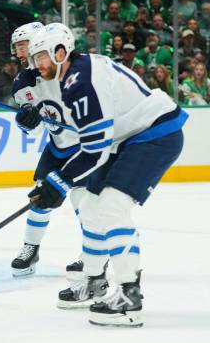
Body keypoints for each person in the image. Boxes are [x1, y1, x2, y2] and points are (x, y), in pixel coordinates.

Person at [27, 23, 186, 327]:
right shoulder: (75, 74)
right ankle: (95, 281)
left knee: (112, 206)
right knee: (89, 206)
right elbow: (93, 143)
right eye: (34, 59)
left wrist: (58, 182)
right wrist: (58, 181)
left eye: (41, 57)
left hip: (154, 134)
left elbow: (94, 149)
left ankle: (129, 297)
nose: (37, 65)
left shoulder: (79, 81)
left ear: (61, 52)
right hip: (127, 138)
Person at [10, 21, 85, 278]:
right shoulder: (22, 82)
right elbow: (32, 129)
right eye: (16, 47)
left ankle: (92, 252)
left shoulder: (67, 71)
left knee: (83, 202)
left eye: (23, 45)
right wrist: (25, 120)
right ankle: (31, 248)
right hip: (58, 147)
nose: (19, 52)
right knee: (40, 198)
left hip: (85, 147)